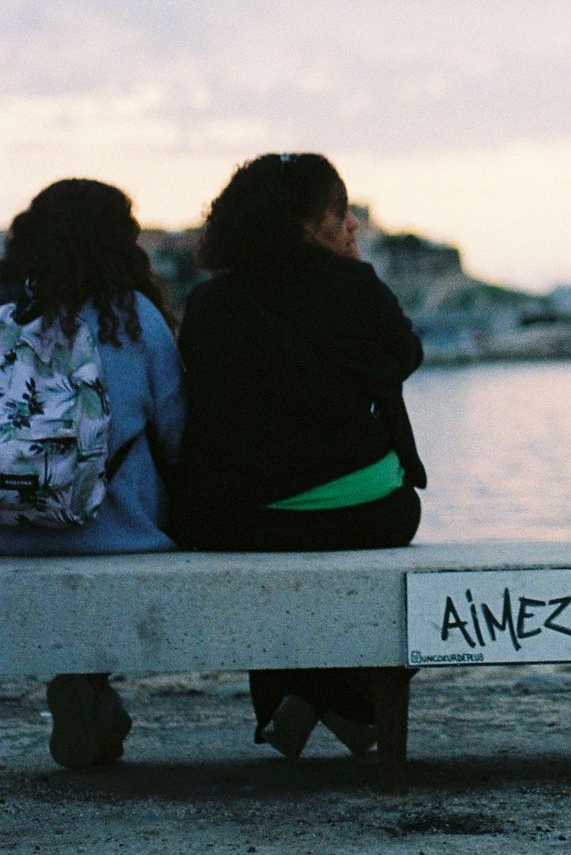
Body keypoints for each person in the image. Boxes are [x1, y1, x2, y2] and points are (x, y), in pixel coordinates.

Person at [174, 152, 427, 760]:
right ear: (307, 224)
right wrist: (357, 277)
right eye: (340, 212)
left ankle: (294, 697)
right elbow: (405, 357)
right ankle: (333, 698)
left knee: (273, 557)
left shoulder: (207, 303)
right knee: (387, 525)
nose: (353, 225)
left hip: (238, 521)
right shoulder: (354, 285)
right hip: (363, 512)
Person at [0, 179, 186, 769]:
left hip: (9, 531)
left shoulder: (6, 318)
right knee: (143, 464)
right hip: (119, 532)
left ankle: (87, 690)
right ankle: (86, 682)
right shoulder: (135, 319)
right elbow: (176, 435)